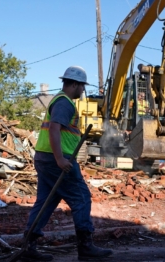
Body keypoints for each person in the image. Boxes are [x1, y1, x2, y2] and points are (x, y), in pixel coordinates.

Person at [22, 66, 113, 261]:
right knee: (81, 198)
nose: (82, 90)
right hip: (57, 159)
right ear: (74, 84)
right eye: (81, 86)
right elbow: (54, 129)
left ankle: (28, 246)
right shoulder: (64, 103)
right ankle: (86, 248)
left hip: (44, 157)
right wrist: (60, 159)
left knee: (46, 202)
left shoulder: (58, 101)